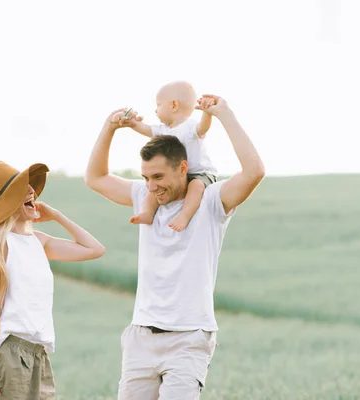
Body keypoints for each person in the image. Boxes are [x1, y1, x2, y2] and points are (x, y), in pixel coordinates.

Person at [85, 94, 265, 399]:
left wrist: (224, 115)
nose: (151, 186)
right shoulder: (145, 196)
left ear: (183, 168)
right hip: (141, 336)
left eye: (158, 176)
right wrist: (109, 128)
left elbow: (254, 172)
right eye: (145, 177)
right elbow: (95, 177)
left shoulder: (211, 201)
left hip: (189, 338)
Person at [0, 161, 106, 400]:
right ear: (5, 204)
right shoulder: (1, 245)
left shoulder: (39, 241)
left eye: (29, 187)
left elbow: (95, 249)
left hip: (38, 354)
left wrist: (56, 216)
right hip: (9, 353)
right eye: (21, 189)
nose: (32, 192)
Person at [110, 81, 218, 232]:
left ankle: (184, 216)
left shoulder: (190, 127)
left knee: (196, 186)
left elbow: (203, 127)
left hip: (200, 173)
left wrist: (207, 112)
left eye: (159, 105)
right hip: (178, 175)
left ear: (173, 105)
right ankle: (148, 213)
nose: (155, 111)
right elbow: (145, 129)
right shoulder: (163, 130)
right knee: (152, 190)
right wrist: (131, 122)